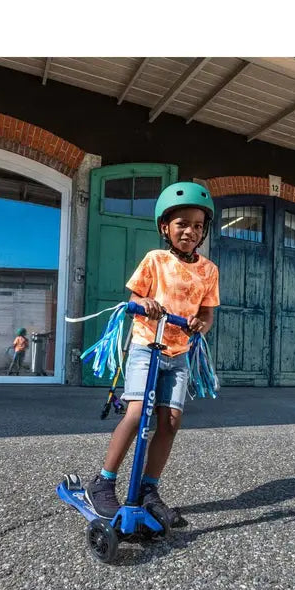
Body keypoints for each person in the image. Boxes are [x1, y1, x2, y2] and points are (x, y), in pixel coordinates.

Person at [85, 182, 220, 523]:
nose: (190, 231)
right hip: (147, 345)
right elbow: (133, 300)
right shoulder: (155, 260)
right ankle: (103, 482)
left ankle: (148, 489)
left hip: (179, 353)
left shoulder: (209, 270)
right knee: (136, 414)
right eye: (182, 224)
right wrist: (144, 303)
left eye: (198, 226)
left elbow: (207, 314)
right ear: (165, 227)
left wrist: (198, 325)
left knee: (170, 422)